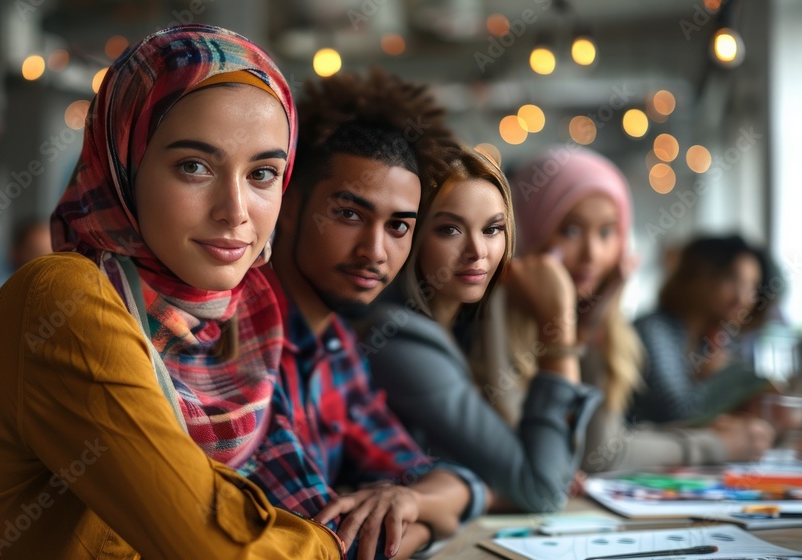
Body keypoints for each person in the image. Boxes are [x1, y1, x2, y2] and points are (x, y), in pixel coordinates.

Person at [0, 25, 342, 559]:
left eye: (263, 173)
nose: (236, 210)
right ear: (123, 167)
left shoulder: (241, 321)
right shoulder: (63, 299)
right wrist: (344, 545)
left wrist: (416, 500)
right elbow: (210, 544)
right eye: (194, 166)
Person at [244, 69, 482, 559]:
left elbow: (458, 485)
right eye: (350, 214)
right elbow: (339, 549)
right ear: (288, 206)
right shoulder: (241, 339)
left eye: (398, 226)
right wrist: (430, 521)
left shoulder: (336, 344)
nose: (376, 251)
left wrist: (410, 499)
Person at [485, 147, 772, 473]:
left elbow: (600, 445)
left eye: (607, 233)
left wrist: (597, 321)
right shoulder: (497, 308)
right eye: (570, 230)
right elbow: (593, 457)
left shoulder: (600, 318)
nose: (593, 254)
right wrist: (715, 444)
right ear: (529, 228)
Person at [362, 148, 602, 514]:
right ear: (411, 234)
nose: (477, 251)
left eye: (492, 229)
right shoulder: (398, 336)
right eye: (449, 230)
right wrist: (559, 327)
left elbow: (545, 469)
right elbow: (544, 488)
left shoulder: (467, 330)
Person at [630, 234, 778, 425]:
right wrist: (712, 380)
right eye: (732, 279)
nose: (743, 298)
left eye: (752, 287)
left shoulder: (720, 340)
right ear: (698, 276)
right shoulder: (654, 330)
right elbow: (676, 414)